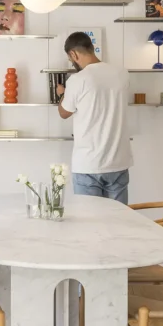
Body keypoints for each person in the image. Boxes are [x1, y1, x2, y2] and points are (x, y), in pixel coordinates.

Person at [56, 31, 133, 203]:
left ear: (73, 54)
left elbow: (64, 113)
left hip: (88, 165)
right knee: (118, 223)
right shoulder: (122, 74)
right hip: (118, 163)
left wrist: (62, 94)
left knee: (89, 225)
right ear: (92, 48)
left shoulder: (78, 79)